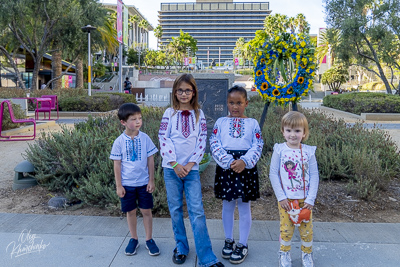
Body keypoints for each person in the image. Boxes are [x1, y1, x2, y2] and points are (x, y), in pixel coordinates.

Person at [158, 73, 224, 267]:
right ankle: (181, 246)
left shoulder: (199, 114)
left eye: (187, 90)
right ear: (175, 92)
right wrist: (175, 164)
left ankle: (206, 257)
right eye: (180, 90)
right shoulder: (169, 113)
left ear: (194, 92)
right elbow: (164, 138)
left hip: (191, 170)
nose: (184, 94)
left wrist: (189, 164)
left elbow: (201, 140)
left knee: (197, 211)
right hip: (171, 170)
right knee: (176, 209)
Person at [209, 85, 263, 264]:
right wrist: (227, 161)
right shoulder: (221, 122)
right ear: (227, 103)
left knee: (244, 206)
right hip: (227, 167)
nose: (235, 107)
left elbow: (257, 144)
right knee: (227, 205)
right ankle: (229, 239)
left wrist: (245, 161)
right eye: (231, 103)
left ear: (246, 103)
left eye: (239, 103)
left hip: (245, 167)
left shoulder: (252, 123)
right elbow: (214, 142)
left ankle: (243, 243)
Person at [269, 111, 319, 267]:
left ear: (304, 133)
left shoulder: (309, 152)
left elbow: (314, 175)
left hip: (305, 200)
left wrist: (310, 199)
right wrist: (281, 197)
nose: (293, 135)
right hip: (287, 200)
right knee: (286, 229)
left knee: (306, 230)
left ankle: (307, 254)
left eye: (297, 131)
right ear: (283, 131)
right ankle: (284, 253)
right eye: (289, 130)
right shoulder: (280, 150)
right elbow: (273, 173)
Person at [110, 103, 160, 257]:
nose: (138, 122)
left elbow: (150, 160)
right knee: (130, 212)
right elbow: (117, 164)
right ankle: (134, 238)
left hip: (144, 184)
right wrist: (119, 185)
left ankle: (149, 239)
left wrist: (151, 180)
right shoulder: (119, 141)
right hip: (127, 185)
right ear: (123, 122)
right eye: (133, 119)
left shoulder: (145, 138)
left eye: (140, 118)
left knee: (146, 211)